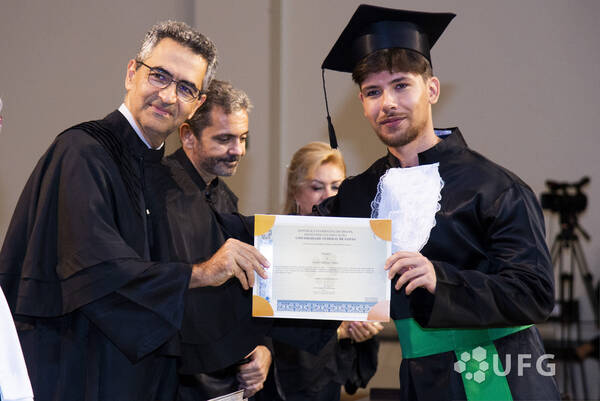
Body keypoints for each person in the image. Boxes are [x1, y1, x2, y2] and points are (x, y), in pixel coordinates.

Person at [0, 21, 269, 401]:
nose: (168, 95)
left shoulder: (167, 179)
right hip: (78, 371)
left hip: (145, 380)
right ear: (132, 73)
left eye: (186, 88)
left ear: (197, 104)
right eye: (159, 76)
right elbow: (96, 268)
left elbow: (215, 256)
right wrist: (200, 273)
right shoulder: (81, 153)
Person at [317, 5, 560, 400]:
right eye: (373, 92)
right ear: (362, 102)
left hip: (497, 371)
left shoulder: (495, 187)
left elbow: (535, 293)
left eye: (401, 85)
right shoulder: (358, 195)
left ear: (431, 90)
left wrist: (440, 279)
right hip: (421, 377)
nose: (387, 103)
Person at [156, 79, 278, 400]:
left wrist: (261, 346)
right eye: (224, 139)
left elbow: (239, 290)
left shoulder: (224, 197)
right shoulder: (155, 194)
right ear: (188, 136)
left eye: (243, 138)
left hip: (223, 378)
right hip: (171, 378)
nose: (238, 150)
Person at [275, 141, 382, 400]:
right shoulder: (274, 248)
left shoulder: (356, 251)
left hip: (330, 385)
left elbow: (359, 367)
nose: (328, 196)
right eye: (317, 187)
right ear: (295, 191)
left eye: (336, 186)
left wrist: (361, 333)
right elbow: (272, 337)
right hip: (283, 388)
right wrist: (339, 331)